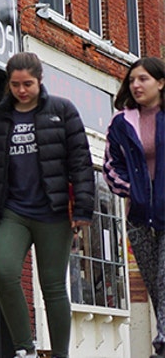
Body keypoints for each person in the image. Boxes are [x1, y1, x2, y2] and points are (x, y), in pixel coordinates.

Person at [0, 51, 94, 358]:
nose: (21, 90)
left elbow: (81, 163)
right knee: (4, 273)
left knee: (53, 286)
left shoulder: (63, 110)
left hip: (53, 212)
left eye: (28, 84)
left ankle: (60, 354)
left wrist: (83, 209)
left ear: (39, 81)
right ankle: (24, 348)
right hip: (12, 211)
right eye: (16, 84)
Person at [104, 57, 165, 357]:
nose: (136, 85)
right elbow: (111, 167)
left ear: (161, 82)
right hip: (139, 216)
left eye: (143, 79)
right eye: (132, 81)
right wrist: (134, 192)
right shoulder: (121, 123)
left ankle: (163, 343)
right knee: (155, 283)